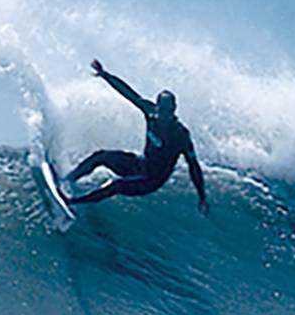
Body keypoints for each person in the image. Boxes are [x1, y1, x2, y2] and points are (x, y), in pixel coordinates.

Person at [66, 59, 209, 215]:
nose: (164, 114)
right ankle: (67, 180)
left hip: (152, 179)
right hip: (141, 164)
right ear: (157, 106)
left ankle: (72, 202)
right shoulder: (150, 112)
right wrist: (105, 75)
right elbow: (129, 94)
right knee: (101, 156)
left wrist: (202, 196)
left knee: (116, 185)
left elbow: (193, 166)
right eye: (162, 109)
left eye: (168, 110)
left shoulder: (180, 135)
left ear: (174, 109)